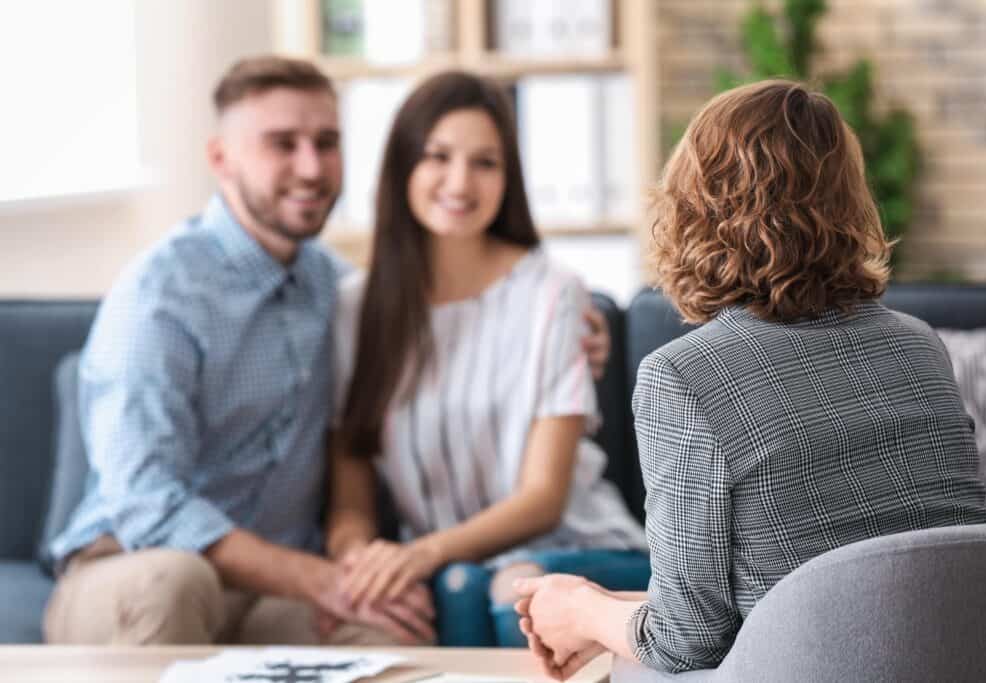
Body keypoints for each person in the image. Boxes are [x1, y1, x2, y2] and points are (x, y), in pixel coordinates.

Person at [42, 56, 610, 647]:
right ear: (221, 158)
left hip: (275, 591)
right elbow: (145, 502)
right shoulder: (160, 295)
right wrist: (319, 577)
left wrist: (584, 335)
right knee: (176, 578)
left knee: (392, 626)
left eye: (326, 142)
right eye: (282, 144)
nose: (310, 168)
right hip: (131, 565)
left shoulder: (341, 294)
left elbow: (455, 320)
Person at [514, 80, 986, 678]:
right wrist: (613, 613)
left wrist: (579, 610)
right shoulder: (919, 346)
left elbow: (686, 644)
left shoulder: (684, 377)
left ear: (694, 205)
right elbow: (851, 600)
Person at [325, 70, 650, 647]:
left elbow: (543, 499)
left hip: (576, 547)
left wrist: (420, 552)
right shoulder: (355, 309)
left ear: (508, 179)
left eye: (485, 162)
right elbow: (349, 497)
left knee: (511, 585)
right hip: (454, 568)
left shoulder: (552, 293)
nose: (460, 181)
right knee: (456, 585)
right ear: (403, 167)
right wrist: (362, 562)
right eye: (438, 156)